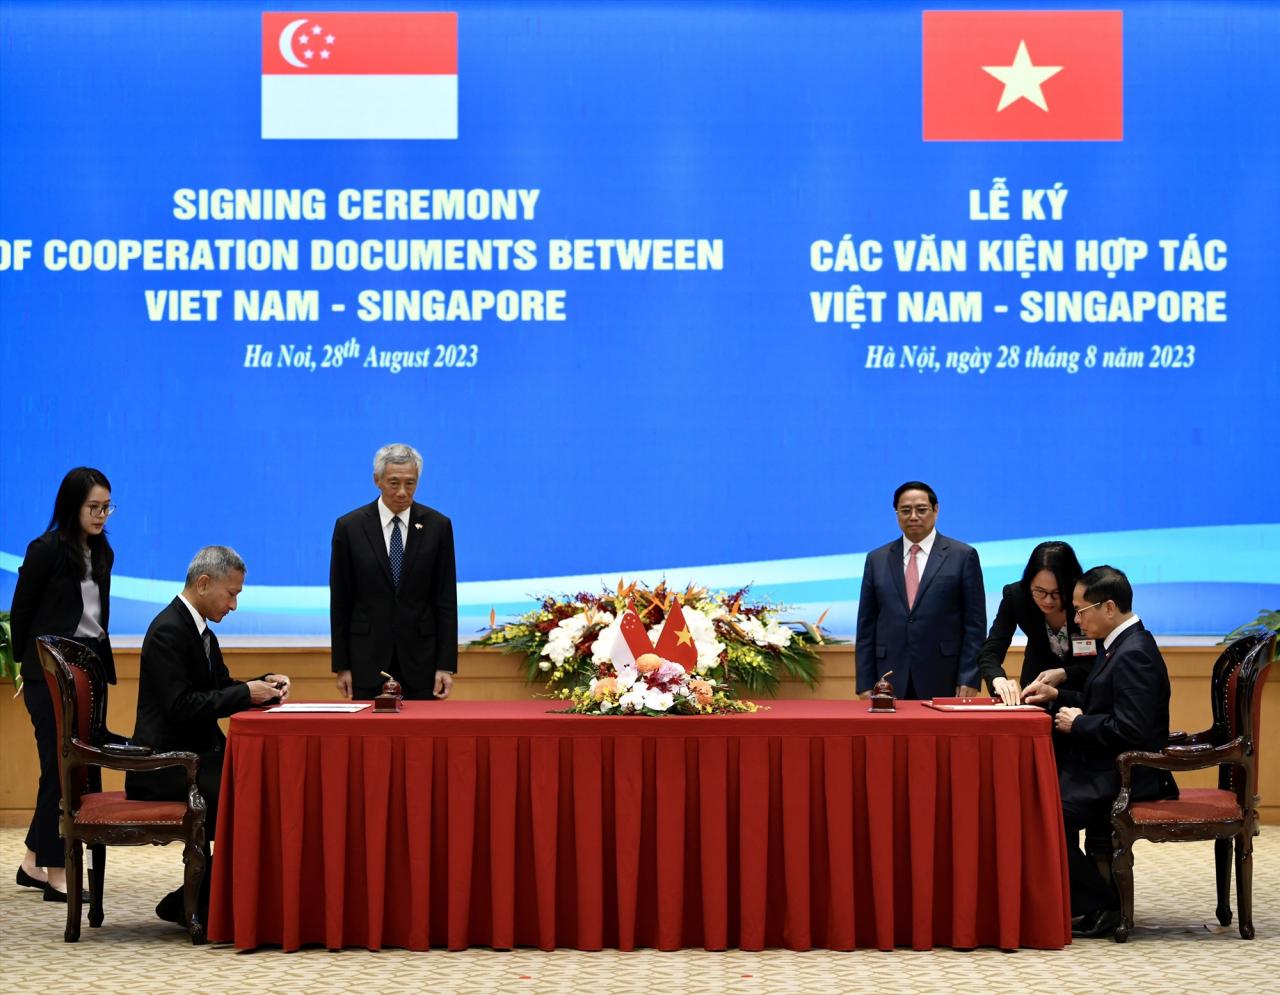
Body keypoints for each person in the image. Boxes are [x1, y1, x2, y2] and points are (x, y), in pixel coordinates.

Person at [126, 546, 290, 924]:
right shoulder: (169, 630)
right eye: (231, 594)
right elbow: (181, 706)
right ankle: (196, 900)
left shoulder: (200, 632)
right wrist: (246, 692)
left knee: (263, 785)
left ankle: (203, 896)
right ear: (203, 583)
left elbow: (219, 689)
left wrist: (263, 685)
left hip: (194, 756)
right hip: (164, 764)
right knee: (251, 795)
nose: (233, 605)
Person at [1023, 565, 1177, 938]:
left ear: (1108, 607)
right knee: (1033, 805)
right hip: (1101, 766)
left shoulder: (1134, 652)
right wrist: (1060, 696)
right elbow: (1103, 705)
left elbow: (1132, 729)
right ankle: (1082, 902)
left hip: (1127, 775)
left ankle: (1102, 904)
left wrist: (1078, 725)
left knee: (1040, 818)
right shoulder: (1120, 645)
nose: (1077, 619)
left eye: (1081, 610)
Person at [9, 467, 116, 903]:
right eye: (94, 507)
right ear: (72, 506)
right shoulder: (45, 550)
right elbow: (22, 615)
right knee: (60, 765)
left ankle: (33, 860)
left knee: (76, 765)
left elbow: (96, 618)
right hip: (48, 674)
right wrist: (30, 668)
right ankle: (56, 871)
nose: (102, 515)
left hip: (87, 671)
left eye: (107, 507)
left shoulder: (104, 552)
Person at [330, 443, 458, 701]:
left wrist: (445, 665)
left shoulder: (438, 526)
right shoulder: (350, 527)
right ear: (377, 480)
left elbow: (445, 600)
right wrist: (342, 665)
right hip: (366, 660)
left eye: (410, 483)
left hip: (421, 660)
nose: (402, 492)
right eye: (393, 483)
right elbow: (341, 601)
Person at [856, 481, 986, 699]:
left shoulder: (963, 556)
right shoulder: (877, 559)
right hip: (888, 678)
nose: (913, 516)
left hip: (944, 675)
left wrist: (969, 677)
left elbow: (975, 625)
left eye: (921, 509)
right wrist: (864, 682)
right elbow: (866, 626)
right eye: (905, 510)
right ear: (896, 513)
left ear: (936, 510)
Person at [977, 541, 1089, 706]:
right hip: (1035, 693)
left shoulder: (1087, 598)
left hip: (1084, 696)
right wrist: (998, 679)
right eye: (1040, 591)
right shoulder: (1016, 597)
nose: (1048, 600)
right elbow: (991, 650)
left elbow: (1105, 657)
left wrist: (1065, 673)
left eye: (1057, 592)